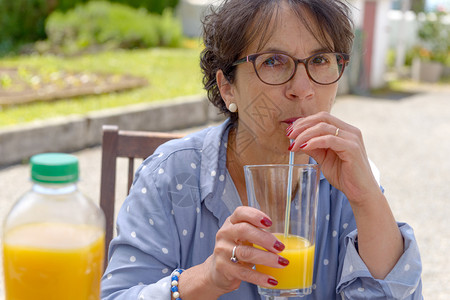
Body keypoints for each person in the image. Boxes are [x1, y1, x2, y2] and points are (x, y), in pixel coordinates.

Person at [101, 0, 423, 299]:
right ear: (228, 86)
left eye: (320, 60)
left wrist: (368, 199)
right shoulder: (170, 178)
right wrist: (207, 276)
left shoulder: (347, 181)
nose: (302, 89)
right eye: (273, 61)